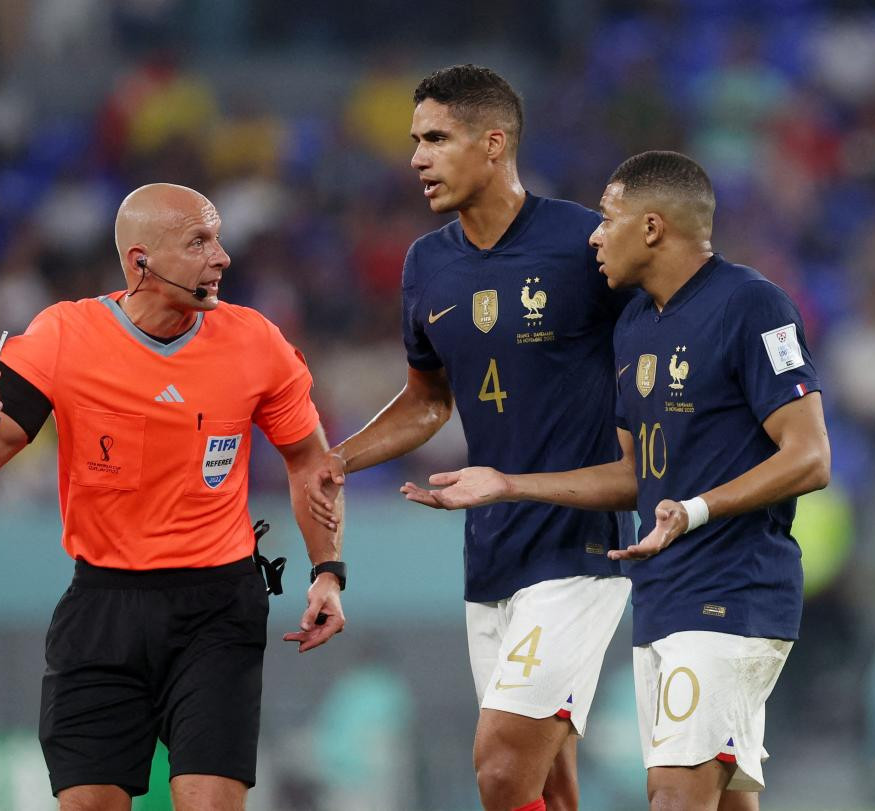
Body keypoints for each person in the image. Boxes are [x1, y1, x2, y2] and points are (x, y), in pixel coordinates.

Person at [402, 150, 831, 811]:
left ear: (653, 227)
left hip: (731, 589)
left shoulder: (752, 304)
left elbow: (810, 456)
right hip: (660, 595)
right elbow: (633, 474)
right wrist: (510, 484)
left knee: (672, 797)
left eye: (607, 218)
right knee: (718, 798)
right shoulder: (631, 327)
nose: (594, 235)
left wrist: (694, 509)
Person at [0, 183, 347, 811]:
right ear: (139, 262)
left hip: (219, 608)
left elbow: (310, 461)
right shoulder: (63, 336)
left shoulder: (256, 341)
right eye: (199, 242)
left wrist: (328, 571)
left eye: (218, 238)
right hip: (103, 609)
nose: (222, 257)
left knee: (208, 802)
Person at [307, 64, 634, 811]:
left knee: (497, 770)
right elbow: (428, 400)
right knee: (548, 783)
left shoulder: (586, 243)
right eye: (414, 140)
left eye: (435, 138)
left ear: (493, 144)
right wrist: (340, 457)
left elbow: (660, 342)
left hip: (578, 549)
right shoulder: (428, 264)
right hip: (489, 551)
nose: (417, 157)